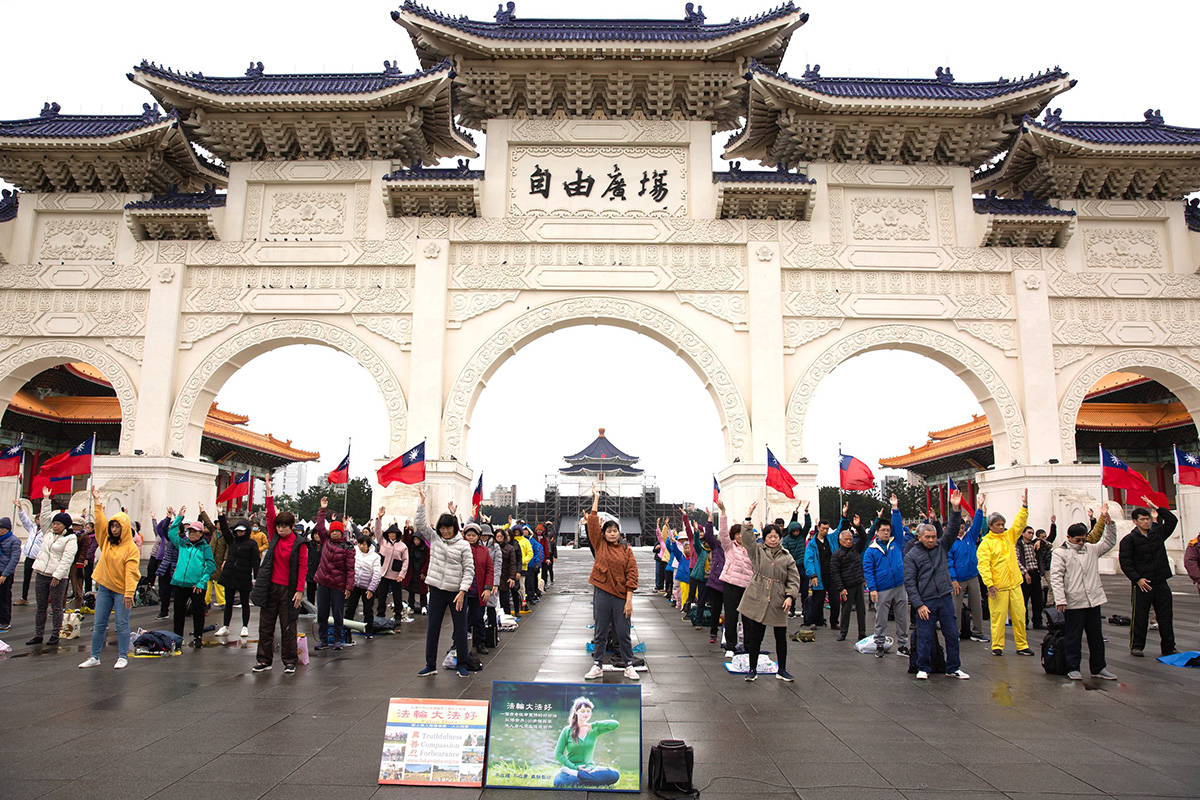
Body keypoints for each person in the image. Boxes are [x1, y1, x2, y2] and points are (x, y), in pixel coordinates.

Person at [902, 489, 970, 681]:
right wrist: (919, 605)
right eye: (928, 537)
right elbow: (910, 583)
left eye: (933, 537)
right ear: (919, 537)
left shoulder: (942, 546)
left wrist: (955, 508)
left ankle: (953, 667)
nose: (932, 540)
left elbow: (952, 529)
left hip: (945, 597)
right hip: (926, 601)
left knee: (951, 635)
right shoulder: (912, 556)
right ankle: (923, 667)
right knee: (924, 636)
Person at [1049, 509, 1119, 681]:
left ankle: (1099, 667)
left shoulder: (1091, 549)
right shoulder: (1060, 553)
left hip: (1093, 600)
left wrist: (1109, 525)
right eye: (1077, 540)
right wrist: (1060, 599)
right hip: (1074, 601)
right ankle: (1073, 666)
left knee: (1096, 637)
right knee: (1074, 636)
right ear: (1069, 538)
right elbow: (1056, 577)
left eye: (1083, 539)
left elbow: (1108, 543)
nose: (1081, 543)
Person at [415, 486, 474, 678]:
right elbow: (421, 525)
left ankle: (462, 664)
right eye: (442, 528)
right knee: (433, 628)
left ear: (455, 528)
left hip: (457, 593)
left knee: (460, 630)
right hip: (437, 590)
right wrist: (422, 502)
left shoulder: (464, 545)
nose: (445, 531)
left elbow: (469, 570)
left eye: (448, 527)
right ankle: (430, 664)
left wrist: (463, 591)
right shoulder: (435, 539)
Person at [251, 476, 308, 674]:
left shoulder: (299, 543)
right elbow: (269, 515)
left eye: (285, 526)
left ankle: (289, 661)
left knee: (288, 627)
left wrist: (300, 590)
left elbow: (303, 567)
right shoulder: (274, 536)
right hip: (270, 588)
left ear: (292, 526)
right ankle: (264, 660)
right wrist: (268, 491)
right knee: (266, 626)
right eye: (279, 526)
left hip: (289, 590)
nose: (281, 529)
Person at [78, 487, 140, 669]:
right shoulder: (106, 542)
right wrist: (97, 504)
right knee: (99, 624)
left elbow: (132, 572)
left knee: (122, 624)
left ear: (125, 528)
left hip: (122, 591)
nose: (113, 529)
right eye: (112, 526)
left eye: (117, 526)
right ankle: (94, 656)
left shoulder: (131, 548)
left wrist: (129, 593)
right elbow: (99, 525)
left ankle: (122, 656)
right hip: (104, 588)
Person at [739, 501, 801, 682]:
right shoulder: (757, 551)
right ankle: (752, 669)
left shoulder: (787, 556)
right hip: (759, 596)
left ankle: (782, 669)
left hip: (778, 598)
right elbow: (747, 538)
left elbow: (793, 578)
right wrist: (748, 516)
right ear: (765, 538)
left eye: (776, 536)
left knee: (780, 636)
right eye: (770, 536)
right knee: (756, 635)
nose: (773, 539)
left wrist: (790, 596)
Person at [583, 485, 639, 682]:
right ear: (604, 534)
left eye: (615, 531)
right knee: (600, 630)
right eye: (609, 531)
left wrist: (629, 600)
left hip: (621, 595)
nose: (612, 534)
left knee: (623, 632)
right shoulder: (599, 546)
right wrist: (596, 499)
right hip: (602, 592)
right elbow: (592, 524)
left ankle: (629, 664)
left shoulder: (626, 550)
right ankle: (597, 664)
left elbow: (632, 574)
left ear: (619, 533)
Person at [977, 490, 1034, 657]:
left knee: (1019, 616)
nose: (1001, 527)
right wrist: (990, 584)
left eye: (1002, 524)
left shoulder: (1009, 536)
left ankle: (1022, 645)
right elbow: (984, 565)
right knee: (998, 618)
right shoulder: (986, 543)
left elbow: (1019, 524)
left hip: (1014, 584)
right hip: (998, 587)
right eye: (998, 525)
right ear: (991, 526)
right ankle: (997, 645)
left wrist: (1024, 506)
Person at [1118, 499, 1178, 658]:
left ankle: (1169, 647)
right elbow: (1126, 563)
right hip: (1142, 584)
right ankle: (1137, 646)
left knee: (1165, 617)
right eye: (1143, 520)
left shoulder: (1157, 534)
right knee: (1140, 617)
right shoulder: (1129, 540)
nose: (1146, 522)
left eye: (1148, 519)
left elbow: (1172, 521)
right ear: (1135, 521)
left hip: (1161, 581)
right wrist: (1137, 579)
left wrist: (1158, 508)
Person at [25, 488, 77, 645]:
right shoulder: (48, 533)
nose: (54, 526)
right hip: (41, 573)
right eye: (54, 523)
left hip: (57, 577)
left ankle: (55, 633)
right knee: (41, 606)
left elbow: (67, 559)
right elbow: (45, 518)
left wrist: (57, 576)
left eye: (58, 524)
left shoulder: (70, 539)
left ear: (65, 526)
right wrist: (46, 499)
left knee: (56, 606)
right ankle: (38, 634)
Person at [862, 501, 909, 658]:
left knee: (902, 617)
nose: (886, 533)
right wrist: (872, 589)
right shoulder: (871, 551)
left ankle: (902, 645)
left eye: (888, 530)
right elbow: (868, 571)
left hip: (899, 586)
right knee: (880, 619)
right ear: (877, 532)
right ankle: (879, 644)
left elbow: (898, 525)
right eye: (883, 530)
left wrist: (895, 508)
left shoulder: (896, 542)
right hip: (882, 589)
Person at [166, 507, 216, 648]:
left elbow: (210, 566)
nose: (192, 534)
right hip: (180, 583)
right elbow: (171, 533)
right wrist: (179, 518)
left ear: (201, 533)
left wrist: (201, 582)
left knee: (198, 612)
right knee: (179, 612)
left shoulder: (205, 547)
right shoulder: (182, 544)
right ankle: (177, 637)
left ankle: (198, 637)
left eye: (195, 531)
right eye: (190, 531)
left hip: (196, 586)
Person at [311, 496, 355, 650]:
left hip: (338, 585)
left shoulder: (348, 547)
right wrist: (322, 509)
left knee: (338, 614)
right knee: (322, 614)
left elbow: (350, 569)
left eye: (338, 531)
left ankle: (337, 639)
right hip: (323, 582)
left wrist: (349, 587)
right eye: (333, 531)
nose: (335, 534)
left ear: (342, 532)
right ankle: (323, 639)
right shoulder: (326, 541)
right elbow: (320, 526)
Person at [552, 697, 621, 788]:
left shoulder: (594, 729)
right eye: (583, 711)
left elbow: (615, 725)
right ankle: (589, 779)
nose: (586, 714)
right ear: (576, 712)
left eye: (588, 711)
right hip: (571, 769)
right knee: (559, 781)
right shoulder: (567, 730)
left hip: (589, 769)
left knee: (614, 775)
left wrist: (593, 725)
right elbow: (558, 754)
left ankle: (580, 776)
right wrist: (574, 767)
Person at [712, 499, 752, 653]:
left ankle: (748, 647)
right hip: (731, 584)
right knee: (731, 617)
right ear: (734, 535)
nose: (741, 536)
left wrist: (749, 514)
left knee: (748, 618)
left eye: (743, 533)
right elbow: (722, 533)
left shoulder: (752, 549)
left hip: (748, 586)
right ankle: (730, 646)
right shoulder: (729, 547)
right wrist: (722, 513)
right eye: (738, 534)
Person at [948, 495, 987, 642]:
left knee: (977, 605)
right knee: (956, 607)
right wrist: (953, 579)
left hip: (972, 577)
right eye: (958, 528)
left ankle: (978, 632)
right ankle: (956, 633)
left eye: (963, 528)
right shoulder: (951, 542)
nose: (960, 530)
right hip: (958, 579)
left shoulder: (970, 537)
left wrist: (979, 509)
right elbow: (949, 561)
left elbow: (977, 525)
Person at [214, 514, 259, 638]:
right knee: (228, 602)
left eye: (242, 531)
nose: (239, 533)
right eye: (238, 531)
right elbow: (224, 529)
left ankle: (245, 626)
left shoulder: (252, 544)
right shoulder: (232, 541)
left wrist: (257, 577)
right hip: (230, 575)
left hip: (244, 576)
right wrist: (221, 515)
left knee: (245, 603)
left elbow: (255, 561)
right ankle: (225, 626)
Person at [829, 524, 870, 642]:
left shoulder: (855, 549)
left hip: (858, 583)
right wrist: (841, 588)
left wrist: (859, 526)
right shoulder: (836, 555)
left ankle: (862, 633)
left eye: (850, 539)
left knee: (861, 610)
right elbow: (835, 573)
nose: (848, 541)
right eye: (846, 540)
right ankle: (843, 632)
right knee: (846, 611)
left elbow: (864, 538)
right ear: (840, 541)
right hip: (847, 586)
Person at [461, 522, 494, 655]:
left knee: (478, 618)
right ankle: (456, 643)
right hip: (463, 590)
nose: (471, 537)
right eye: (468, 535)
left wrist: (488, 588)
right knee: (461, 619)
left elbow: (489, 570)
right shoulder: (461, 549)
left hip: (478, 590)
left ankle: (479, 643)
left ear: (478, 536)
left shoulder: (484, 551)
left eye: (473, 535)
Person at [346, 532, 382, 640]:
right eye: (360, 544)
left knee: (368, 610)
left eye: (364, 544)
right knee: (350, 609)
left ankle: (368, 631)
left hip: (367, 586)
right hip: (354, 585)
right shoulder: (354, 552)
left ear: (369, 545)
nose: (361, 546)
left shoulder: (375, 557)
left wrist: (371, 589)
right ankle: (346, 630)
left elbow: (377, 574)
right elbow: (349, 567)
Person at [699, 508, 727, 644]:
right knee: (715, 610)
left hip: (730, 583)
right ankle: (713, 633)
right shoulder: (717, 547)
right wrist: (709, 520)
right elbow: (708, 536)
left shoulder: (736, 549)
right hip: (716, 581)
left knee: (731, 613)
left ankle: (728, 636)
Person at [376, 515, 409, 623]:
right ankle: (380, 614)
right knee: (381, 596)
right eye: (389, 533)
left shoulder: (402, 546)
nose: (391, 535)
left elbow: (405, 561)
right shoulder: (383, 542)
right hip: (383, 574)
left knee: (397, 597)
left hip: (395, 575)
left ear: (397, 535)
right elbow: (377, 531)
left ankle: (398, 615)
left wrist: (401, 574)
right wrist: (379, 519)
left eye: (393, 534)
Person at [804, 516, 835, 628]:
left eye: (827, 528)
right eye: (823, 528)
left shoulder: (831, 540)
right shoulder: (812, 544)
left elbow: (841, 529)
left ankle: (834, 622)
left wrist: (844, 517)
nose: (825, 531)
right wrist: (812, 575)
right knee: (818, 599)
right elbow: (808, 561)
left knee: (835, 600)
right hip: (819, 575)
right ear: (818, 528)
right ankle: (814, 621)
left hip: (831, 575)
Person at [781, 501, 810, 619]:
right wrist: (795, 512)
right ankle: (791, 609)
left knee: (804, 589)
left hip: (802, 566)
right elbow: (786, 552)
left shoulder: (802, 536)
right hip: (792, 566)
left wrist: (806, 513)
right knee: (791, 589)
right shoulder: (787, 539)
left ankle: (805, 609)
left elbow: (807, 525)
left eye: (798, 530)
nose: (797, 532)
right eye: (795, 531)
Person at [1016, 525, 1045, 630]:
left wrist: (1040, 541)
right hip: (1025, 574)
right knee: (1024, 599)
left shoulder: (1035, 544)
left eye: (1032, 533)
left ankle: (1037, 621)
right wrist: (1025, 573)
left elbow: (1049, 545)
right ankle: (1024, 621)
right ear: (1023, 534)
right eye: (1029, 533)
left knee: (1038, 599)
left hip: (1035, 573)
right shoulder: (1018, 545)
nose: (1031, 535)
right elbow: (1017, 560)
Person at [14, 500, 42, 608]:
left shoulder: (46, 531)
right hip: (29, 557)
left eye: (40, 519)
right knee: (26, 578)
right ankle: (24, 597)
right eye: (37, 519)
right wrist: (21, 509)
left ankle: (42, 599)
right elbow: (24, 520)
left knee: (40, 580)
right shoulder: (32, 528)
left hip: (39, 558)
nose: (38, 521)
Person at [152, 514, 178, 620]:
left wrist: (178, 518)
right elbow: (161, 528)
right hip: (166, 567)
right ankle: (164, 611)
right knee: (164, 591)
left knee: (177, 593)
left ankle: (179, 612)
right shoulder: (170, 539)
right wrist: (168, 517)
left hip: (176, 568)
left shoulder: (183, 541)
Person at [403, 525, 429, 616]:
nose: (416, 541)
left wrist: (424, 572)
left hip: (421, 572)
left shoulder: (426, 549)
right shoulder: (412, 547)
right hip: (413, 571)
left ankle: (423, 606)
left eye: (417, 540)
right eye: (414, 540)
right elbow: (406, 540)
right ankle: (411, 605)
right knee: (411, 590)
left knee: (423, 591)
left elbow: (427, 561)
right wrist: (406, 530)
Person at [494, 527, 520, 615]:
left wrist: (512, 576)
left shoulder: (510, 548)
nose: (499, 539)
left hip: (505, 575)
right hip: (494, 575)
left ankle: (507, 617)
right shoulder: (492, 547)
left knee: (505, 600)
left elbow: (513, 563)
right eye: (497, 537)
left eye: (501, 536)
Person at [0, 514, 19, 631]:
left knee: (4, 597)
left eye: (3, 529)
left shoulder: (14, 540)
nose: (1, 531)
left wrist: (5, 575)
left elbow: (14, 559)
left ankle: (4, 620)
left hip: (5, 572)